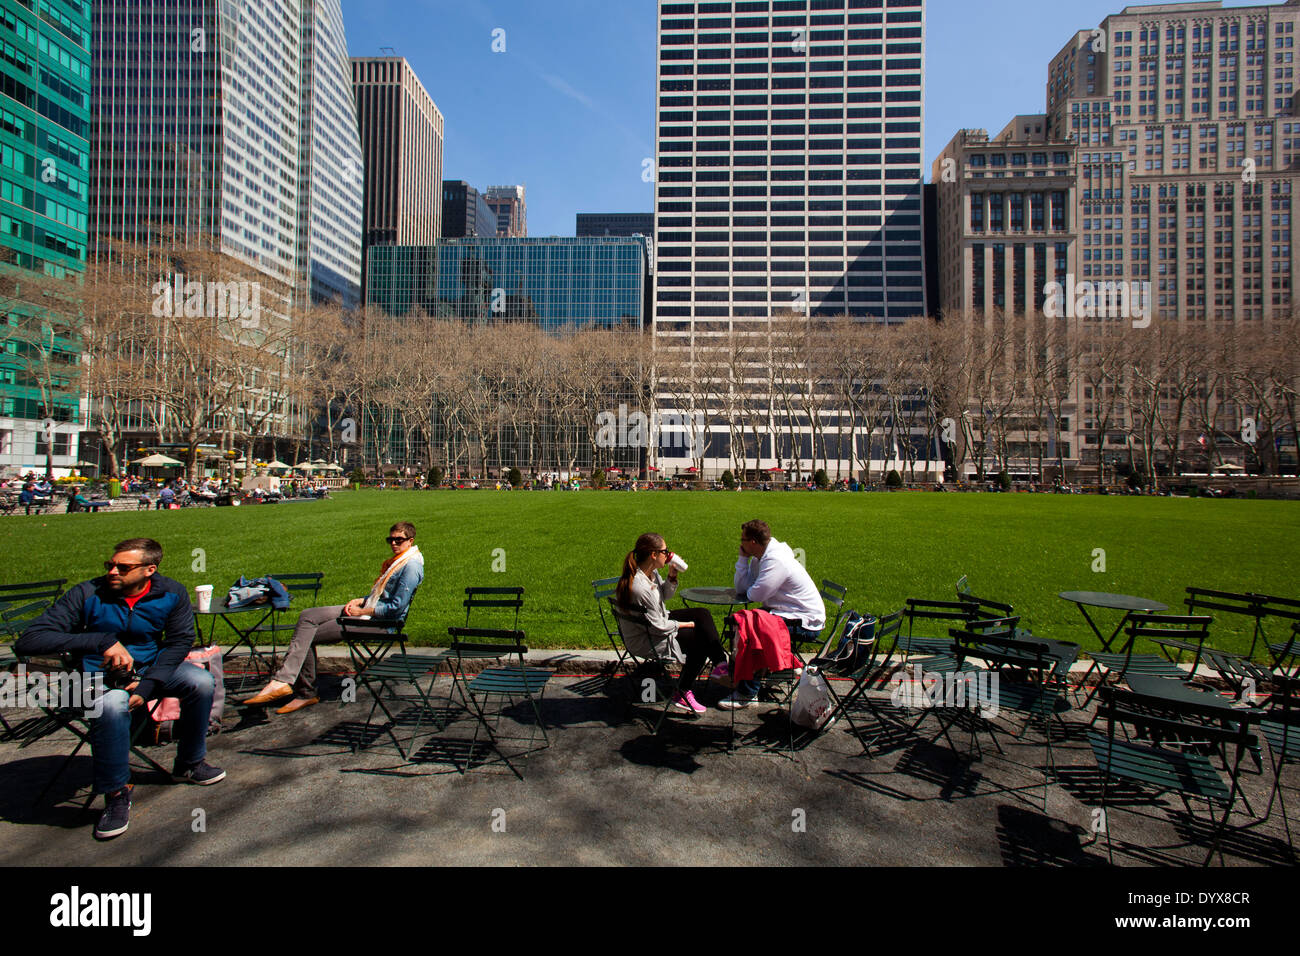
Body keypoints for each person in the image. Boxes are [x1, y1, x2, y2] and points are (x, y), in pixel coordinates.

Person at [16, 538, 224, 840]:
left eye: (123, 567)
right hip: (93, 675)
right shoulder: (88, 593)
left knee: (201, 682)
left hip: (150, 667)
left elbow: (178, 642)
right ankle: (116, 792)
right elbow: (29, 640)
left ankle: (190, 762)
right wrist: (100, 642)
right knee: (113, 705)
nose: (113, 571)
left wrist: (151, 682)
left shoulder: (171, 592)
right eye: (110, 565)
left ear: (149, 570)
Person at [241, 521, 424, 714]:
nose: (394, 543)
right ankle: (284, 682)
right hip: (368, 609)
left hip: (381, 623)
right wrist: (362, 600)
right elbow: (382, 596)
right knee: (308, 616)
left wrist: (362, 611)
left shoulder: (411, 566)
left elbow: (396, 607)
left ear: (410, 541)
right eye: (390, 539)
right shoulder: (398, 561)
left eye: (399, 540)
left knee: (307, 636)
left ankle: (302, 691)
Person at [614, 533, 726, 714]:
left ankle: (721, 665)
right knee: (700, 641)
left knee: (702, 614)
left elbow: (663, 596)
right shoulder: (640, 587)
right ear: (653, 554)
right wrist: (684, 625)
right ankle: (682, 691)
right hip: (647, 638)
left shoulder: (651, 573)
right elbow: (657, 626)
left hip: (655, 622)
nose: (668, 555)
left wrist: (672, 577)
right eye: (665, 551)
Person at [722, 519, 826, 709]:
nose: (740, 542)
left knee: (753, 631)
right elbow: (742, 588)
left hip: (804, 622)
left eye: (742, 539)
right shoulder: (760, 558)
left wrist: (751, 586)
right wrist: (742, 559)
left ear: (752, 542)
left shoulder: (776, 560)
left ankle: (748, 692)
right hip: (786, 612)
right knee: (743, 621)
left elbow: (754, 594)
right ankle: (766, 669)